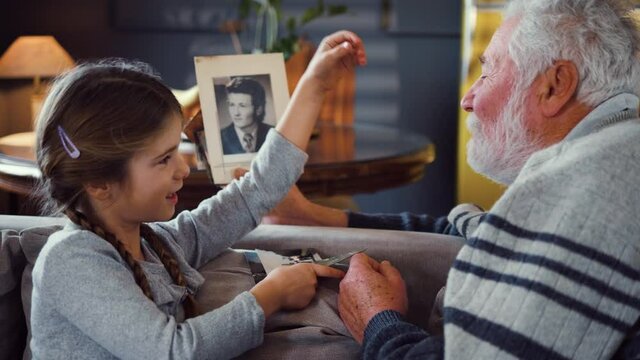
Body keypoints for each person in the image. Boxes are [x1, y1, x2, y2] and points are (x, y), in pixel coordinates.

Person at [266, 0, 640, 358]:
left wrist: (377, 321)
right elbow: (486, 231)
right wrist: (317, 217)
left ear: (555, 85)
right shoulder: (610, 150)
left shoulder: (594, 182)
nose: (468, 99)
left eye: (489, 70)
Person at [30, 31, 366, 359]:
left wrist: (315, 84)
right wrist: (270, 296)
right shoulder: (71, 259)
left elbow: (256, 191)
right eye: (164, 159)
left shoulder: (159, 245)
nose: (183, 169)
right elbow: (173, 351)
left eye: (178, 151)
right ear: (99, 183)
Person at [220, 77, 273, 154]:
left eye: (242, 106)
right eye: (232, 105)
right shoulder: (220, 138)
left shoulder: (272, 134)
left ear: (258, 109)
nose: (236, 113)